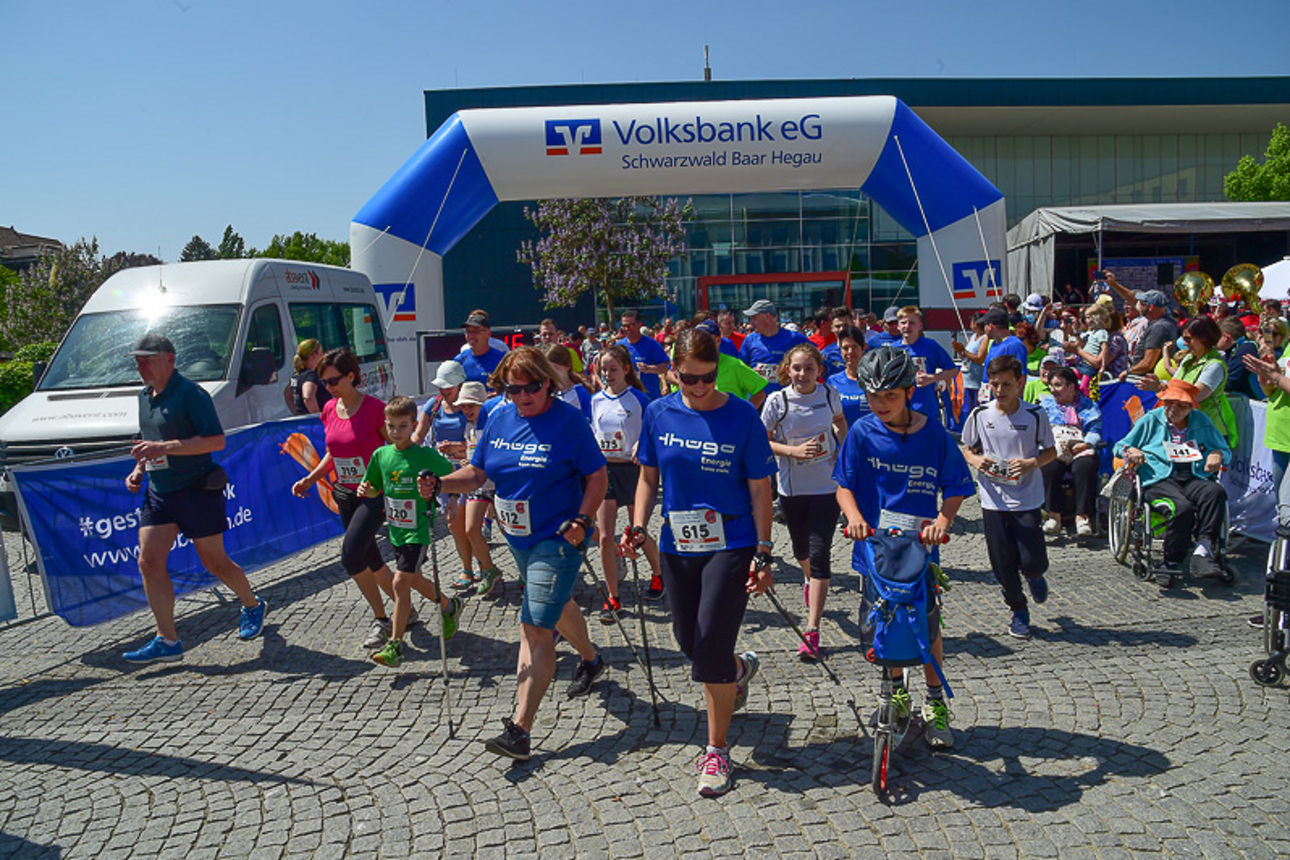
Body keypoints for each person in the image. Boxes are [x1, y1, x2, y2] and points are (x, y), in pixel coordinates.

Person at [429, 347, 609, 761]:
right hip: (518, 536)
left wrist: (583, 519)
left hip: (558, 537)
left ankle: (520, 729)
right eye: (514, 389)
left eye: (532, 387)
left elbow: (597, 475)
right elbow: (478, 472)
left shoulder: (568, 422)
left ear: (548, 382)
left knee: (534, 625)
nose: (523, 396)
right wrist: (440, 483)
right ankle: (591, 658)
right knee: (556, 604)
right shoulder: (500, 417)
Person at [622, 328, 775, 797]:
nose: (699, 387)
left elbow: (759, 487)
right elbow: (648, 476)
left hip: (732, 539)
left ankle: (717, 749)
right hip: (677, 540)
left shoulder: (742, 416)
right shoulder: (658, 412)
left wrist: (764, 550)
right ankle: (737, 668)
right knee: (688, 640)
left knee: (708, 645)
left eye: (707, 377)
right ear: (674, 371)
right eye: (689, 378)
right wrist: (639, 524)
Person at [834, 346, 973, 749]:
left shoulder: (933, 434)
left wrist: (943, 521)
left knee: (927, 627)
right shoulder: (862, 432)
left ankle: (934, 703)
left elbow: (957, 487)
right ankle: (895, 698)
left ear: (909, 391)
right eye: (873, 396)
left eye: (890, 396)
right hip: (874, 550)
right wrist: (854, 517)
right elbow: (843, 485)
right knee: (884, 627)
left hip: (920, 550)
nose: (881, 404)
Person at [121, 334, 266, 663]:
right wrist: (139, 469)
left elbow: (216, 441)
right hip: (159, 493)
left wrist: (165, 447)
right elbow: (150, 442)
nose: (141, 366)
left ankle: (252, 604)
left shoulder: (192, 394)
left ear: (169, 359)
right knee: (149, 562)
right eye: (138, 360)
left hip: (197, 489)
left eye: (148, 359)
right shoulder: (144, 397)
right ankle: (167, 639)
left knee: (214, 562)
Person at [291, 347, 403, 650]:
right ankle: (407, 610)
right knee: (370, 558)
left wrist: (391, 484)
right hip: (345, 493)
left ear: (351, 376)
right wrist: (310, 479)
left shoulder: (375, 409)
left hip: (372, 493)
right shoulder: (329, 410)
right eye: (324, 382)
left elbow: (396, 449)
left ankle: (383, 620)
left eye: (333, 381)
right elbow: (333, 452)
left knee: (350, 556)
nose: (328, 388)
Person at [358, 397, 462, 667]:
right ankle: (450, 607)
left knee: (399, 583)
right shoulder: (381, 455)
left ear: (414, 425)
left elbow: (453, 475)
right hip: (396, 531)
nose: (395, 432)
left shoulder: (424, 456)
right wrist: (365, 490)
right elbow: (374, 486)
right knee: (414, 579)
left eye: (402, 426)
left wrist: (451, 501)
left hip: (418, 530)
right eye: (391, 426)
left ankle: (395, 644)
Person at [760, 343, 847, 660]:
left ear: (819, 371)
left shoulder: (827, 395)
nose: (802, 374)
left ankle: (812, 631)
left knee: (821, 552)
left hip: (827, 487)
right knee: (801, 551)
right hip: (792, 490)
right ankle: (809, 578)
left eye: (809, 368)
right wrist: (793, 452)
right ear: (787, 369)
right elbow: (761, 440)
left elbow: (839, 421)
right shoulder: (777, 400)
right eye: (797, 368)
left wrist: (840, 447)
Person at [961, 355, 1056, 640]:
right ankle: (1019, 611)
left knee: (1031, 560)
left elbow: (1051, 452)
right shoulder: (980, 414)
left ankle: (1036, 575)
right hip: (993, 499)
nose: (1000, 390)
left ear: (1020, 383)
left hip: (1027, 497)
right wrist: (976, 462)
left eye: (1006, 384)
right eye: (994, 384)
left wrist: (1031, 463)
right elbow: (968, 448)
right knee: (1002, 563)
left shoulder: (1036, 415)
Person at [1114, 379, 1231, 587]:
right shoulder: (1151, 419)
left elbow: (1225, 450)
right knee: (1181, 507)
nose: (1173, 409)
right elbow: (1121, 445)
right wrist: (1131, 451)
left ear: (1190, 407)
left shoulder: (1201, 420)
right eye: (1169, 403)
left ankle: (1202, 552)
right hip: (1159, 477)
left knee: (1216, 493)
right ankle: (1171, 561)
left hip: (1194, 475)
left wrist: (1217, 453)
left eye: (1181, 406)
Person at [590, 344, 666, 618]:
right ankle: (613, 596)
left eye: (613, 369)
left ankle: (658, 573)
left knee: (637, 533)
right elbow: (594, 432)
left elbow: (653, 431)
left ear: (625, 369)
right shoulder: (596, 399)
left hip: (634, 473)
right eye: (603, 370)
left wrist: (640, 446)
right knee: (605, 537)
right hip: (606, 471)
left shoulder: (639, 399)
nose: (608, 374)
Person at [413, 360, 490, 595]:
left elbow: (479, 439)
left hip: (469, 470)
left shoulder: (469, 405)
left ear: (459, 385)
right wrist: (405, 453)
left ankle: (481, 565)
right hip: (443, 471)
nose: (443, 391)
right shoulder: (433, 405)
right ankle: (466, 568)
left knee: (470, 525)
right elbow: (419, 434)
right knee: (453, 524)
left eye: (448, 387)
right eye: (441, 387)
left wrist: (458, 447)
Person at [1138, 316, 1238, 448]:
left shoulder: (1215, 366)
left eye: (1188, 339)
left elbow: (1192, 397)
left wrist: (1159, 387)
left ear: (1204, 339)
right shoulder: (1189, 359)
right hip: (1185, 428)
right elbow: (1174, 387)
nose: (1184, 343)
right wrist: (1160, 386)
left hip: (1207, 432)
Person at [1038, 367, 1103, 538]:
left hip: (1079, 446)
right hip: (1055, 447)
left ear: (1072, 387)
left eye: (1058, 386)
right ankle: (1054, 517)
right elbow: (1038, 430)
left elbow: (1095, 429)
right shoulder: (1045, 405)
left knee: (1086, 465)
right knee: (1049, 466)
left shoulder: (1088, 406)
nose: (1053, 390)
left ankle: (1083, 517)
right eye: (1051, 386)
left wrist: (1087, 443)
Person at [893, 306, 958, 423]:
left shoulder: (930, 346)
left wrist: (933, 378)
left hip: (926, 409)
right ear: (898, 326)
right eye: (903, 323)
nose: (907, 326)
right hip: (900, 410)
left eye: (912, 323)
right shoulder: (893, 350)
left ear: (920, 326)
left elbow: (953, 370)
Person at [692, 318, 768, 408]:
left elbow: (760, 394)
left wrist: (743, 416)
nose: (700, 344)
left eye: (705, 339)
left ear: (718, 341)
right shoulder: (690, 365)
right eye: (697, 339)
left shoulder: (734, 365)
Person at [738, 299, 809, 393]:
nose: (751, 323)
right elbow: (740, 369)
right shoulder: (750, 340)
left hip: (789, 400)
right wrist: (751, 373)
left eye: (754, 318)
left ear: (767, 316)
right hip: (759, 400)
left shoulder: (796, 338)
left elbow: (816, 362)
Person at [1119, 290, 1177, 382]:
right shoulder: (1166, 323)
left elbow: (1148, 363)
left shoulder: (1158, 328)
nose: (1137, 305)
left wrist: (1128, 372)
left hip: (1148, 383)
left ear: (1151, 307)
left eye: (1141, 303)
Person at [618, 309, 671, 400]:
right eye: (624, 326)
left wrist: (649, 368)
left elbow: (665, 367)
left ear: (639, 324)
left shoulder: (651, 344)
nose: (626, 329)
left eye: (630, 325)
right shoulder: (619, 346)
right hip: (627, 398)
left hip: (649, 398)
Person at [827, 325, 871, 426]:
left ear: (863, 348)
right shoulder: (833, 381)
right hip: (843, 439)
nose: (850, 352)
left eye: (854, 347)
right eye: (846, 348)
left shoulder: (875, 379)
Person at [458, 310, 508, 389]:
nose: (471, 336)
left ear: (488, 334)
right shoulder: (459, 361)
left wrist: (497, 395)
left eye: (475, 331)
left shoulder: (503, 360)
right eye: (468, 332)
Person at [540, 342, 593, 417]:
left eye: (555, 368)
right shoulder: (550, 394)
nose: (551, 373)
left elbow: (591, 422)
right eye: (547, 370)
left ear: (568, 366)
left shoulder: (580, 393)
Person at [981, 308, 1029, 388]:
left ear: (990, 326)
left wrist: (1014, 399)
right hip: (989, 395)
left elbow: (1021, 376)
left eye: (984, 325)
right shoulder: (994, 343)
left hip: (1005, 396)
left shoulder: (1014, 345)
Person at [952, 315, 988, 417]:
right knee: (967, 409)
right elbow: (965, 356)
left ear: (976, 323)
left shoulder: (984, 338)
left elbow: (979, 358)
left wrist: (963, 350)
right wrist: (959, 350)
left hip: (977, 380)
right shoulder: (972, 337)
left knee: (976, 408)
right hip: (966, 378)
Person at [1220, 317, 1263, 401]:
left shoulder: (1246, 349)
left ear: (1226, 337)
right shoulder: (1232, 350)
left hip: (1254, 402)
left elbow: (1233, 380)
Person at [285, 338, 330, 415]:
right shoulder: (311, 375)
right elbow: (308, 398)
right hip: (315, 423)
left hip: (303, 420)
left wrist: (296, 413)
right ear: (313, 355)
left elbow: (288, 395)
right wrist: (318, 417)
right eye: (321, 353)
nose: (323, 355)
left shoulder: (296, 375)